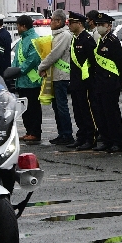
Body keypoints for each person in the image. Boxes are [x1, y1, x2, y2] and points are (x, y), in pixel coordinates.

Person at [89, 13, 122, 153]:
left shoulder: (113, 41)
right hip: (100, 83)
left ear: (109, 26)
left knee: (112, 114)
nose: (99, 27)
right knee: (101, 113)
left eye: (102, 25)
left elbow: (120, 63)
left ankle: (117, 141)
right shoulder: (101, 41)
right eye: (98, 25)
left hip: (110, 83)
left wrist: (121, 80)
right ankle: (107, 140)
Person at [36, 10, 74, 146]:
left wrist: (41, 67)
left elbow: (54, 55)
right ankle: (61, 133)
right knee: (57, 106)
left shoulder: (64, 35)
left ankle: (67, 134)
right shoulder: (57, 35)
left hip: (62, 76)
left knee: (61, 106)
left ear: (59, 22)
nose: (50, 22)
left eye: (52, 20)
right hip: (55, 75)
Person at [5, 15, 45, 143]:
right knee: (25, 108)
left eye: (17, 25)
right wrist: (13, 71)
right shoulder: (22, 40)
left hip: (32, 81)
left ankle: (35, 133)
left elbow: (32, 60)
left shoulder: (34, 39)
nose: (16, 28)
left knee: (33, 108)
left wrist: (18, 71)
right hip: (22, 80)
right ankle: (29, 132)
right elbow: (17, 59)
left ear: (23, 26)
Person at [67, 11, 99, 151]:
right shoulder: (75, 39)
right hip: (75, 81)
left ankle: (90, 138)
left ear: (79, 23)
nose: (69, 25)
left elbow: (92, 62)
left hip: (85, 82)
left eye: (71, 23)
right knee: (78, 111)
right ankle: (81, 137)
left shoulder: (87, 40)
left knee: (87, 111)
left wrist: (90, 81)